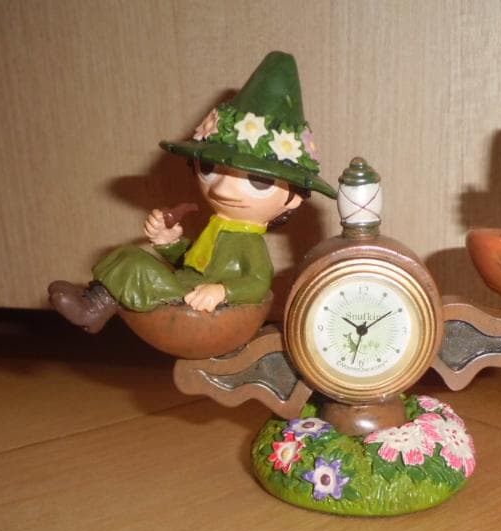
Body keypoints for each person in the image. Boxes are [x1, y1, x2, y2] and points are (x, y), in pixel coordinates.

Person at [49, 51, 335, 334]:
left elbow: (258, 283)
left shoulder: (248, 243)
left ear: (293, 198)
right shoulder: (218, 227)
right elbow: (193, 262)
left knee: (137, 265)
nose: (221, 188)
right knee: (128, 253)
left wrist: (222, 291)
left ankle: (93, 308)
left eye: (258, 181)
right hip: (186, 286)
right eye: (209, 168)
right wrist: (169, 242)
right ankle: (95, 303)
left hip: (196, 298)